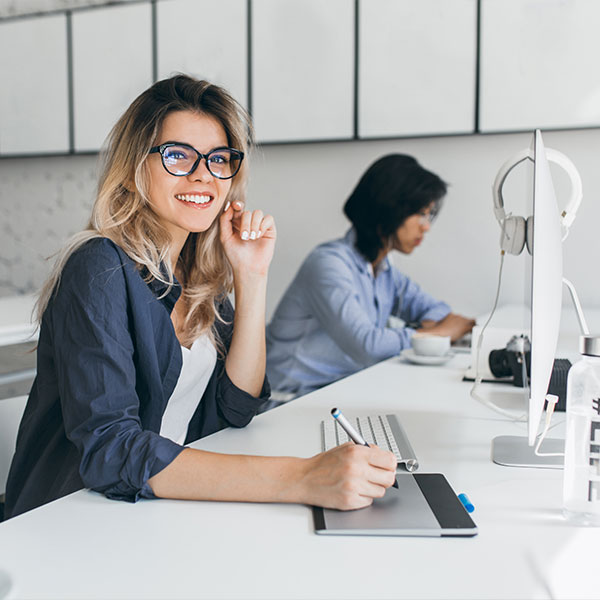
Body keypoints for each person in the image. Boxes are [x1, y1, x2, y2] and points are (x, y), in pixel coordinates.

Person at [4, 75, 396, 519]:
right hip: (72, 519)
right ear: (134, 170)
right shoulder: (99, 267)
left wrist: (252, 276)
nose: (202, 175)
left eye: (218, 159)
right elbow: (111, 449)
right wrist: (302, 477)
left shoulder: (196, 271)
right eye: (177, 156)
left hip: (155, 509)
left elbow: (236, 405)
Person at [266, 154, 475, 398]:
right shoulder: (328, 265)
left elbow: (437, 311)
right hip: (288, 401)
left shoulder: (383, 269)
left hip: (338, 391)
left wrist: (439, 327)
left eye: (428, 215)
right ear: (390, 209)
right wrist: (440, 334)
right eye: (420, 214)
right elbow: (370, 347)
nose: (426, 226)